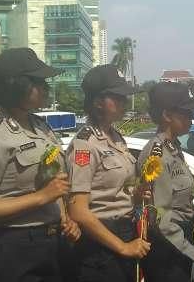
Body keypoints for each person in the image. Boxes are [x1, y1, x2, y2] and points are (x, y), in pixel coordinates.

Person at [0, 48, 80, 282]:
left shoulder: (41, 127)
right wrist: (41, 197)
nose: (45, 87)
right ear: (17, 86)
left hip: (52, 244)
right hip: (13, 250)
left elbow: (55, 185)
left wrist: (66, 218)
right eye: (38, 82)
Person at [66, 64, 150, 282]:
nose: (124, 102)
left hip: (125, 231)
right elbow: (79, 211)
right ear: (97, 102)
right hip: (100, 245)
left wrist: (136, 194)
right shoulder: (85, 144)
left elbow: (112, 190)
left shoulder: (116, 137)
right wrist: (122, 248)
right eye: (118, 97)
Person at [138, 82, 194, 281]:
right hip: (168, 249)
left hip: (178, 242)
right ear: (167, 116)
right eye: (186, 113)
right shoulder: (157, 154)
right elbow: (160, 216)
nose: (191, 118)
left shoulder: (172, 147)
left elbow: (177, 198)